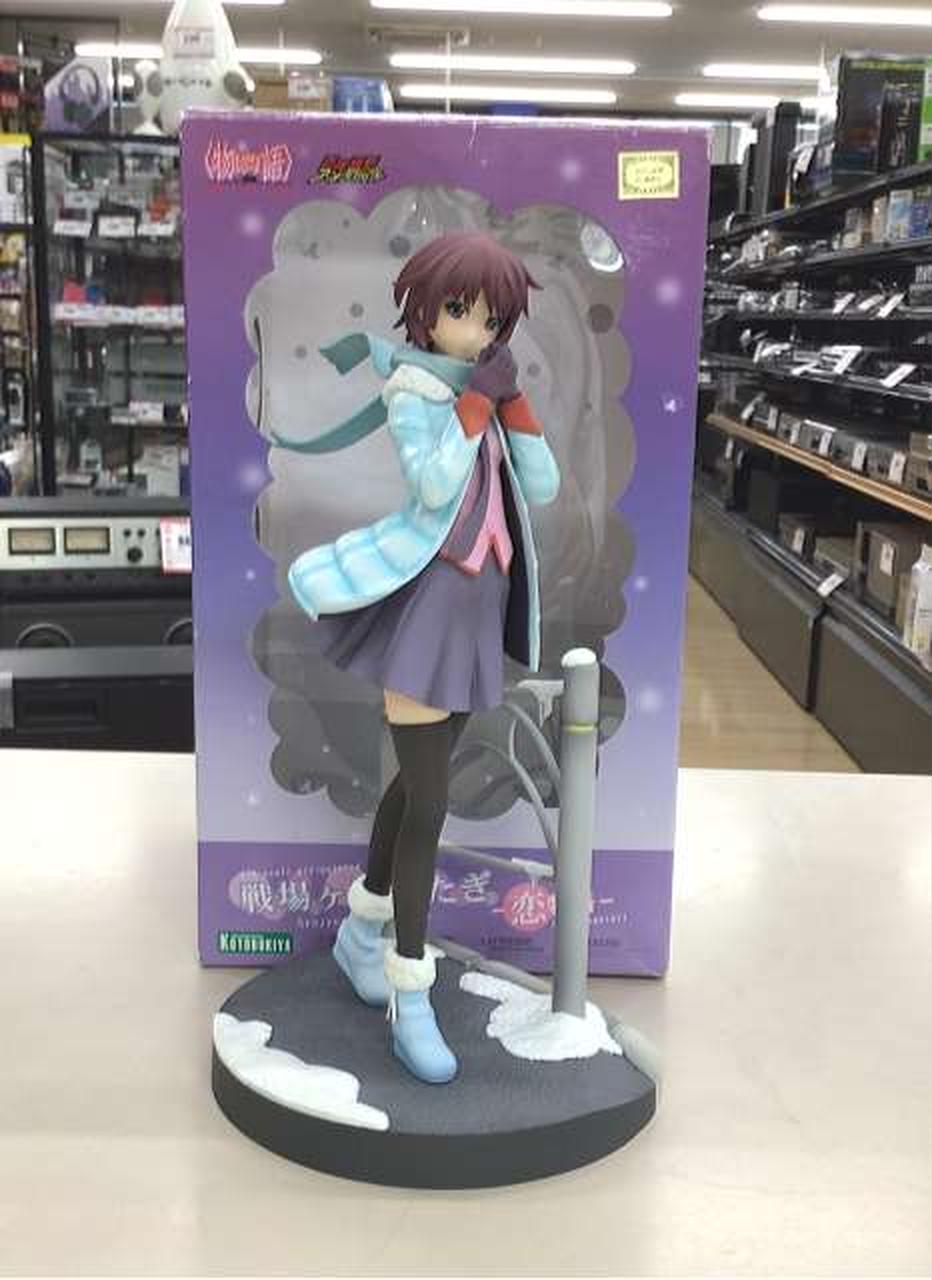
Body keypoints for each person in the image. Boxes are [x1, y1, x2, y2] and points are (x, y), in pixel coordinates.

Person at [274, 231, 560, 1084]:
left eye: (490, 318)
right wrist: (476, 405)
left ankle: (360, 935)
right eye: (460, 311)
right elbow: (433, 485)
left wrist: (514, 405)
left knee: (415, 785)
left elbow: (542, 487)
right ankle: (410, 990)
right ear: (427, 312)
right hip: (428, 607)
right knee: (431, 800)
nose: (475, 331)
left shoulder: (481, 389)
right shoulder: (414, 388)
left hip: (479, 608)